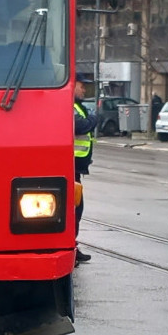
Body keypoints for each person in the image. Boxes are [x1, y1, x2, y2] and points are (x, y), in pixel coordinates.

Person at [74, 73, 97, 265]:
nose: (84, 90)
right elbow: (81, 126)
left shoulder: (77, 106)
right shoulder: (68, 106)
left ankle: (72, 247)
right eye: (81, 86)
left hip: (75, 166)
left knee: (76, 208)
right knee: (74, 209)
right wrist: (93, 118)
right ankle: (70, 248)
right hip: (69, 166)